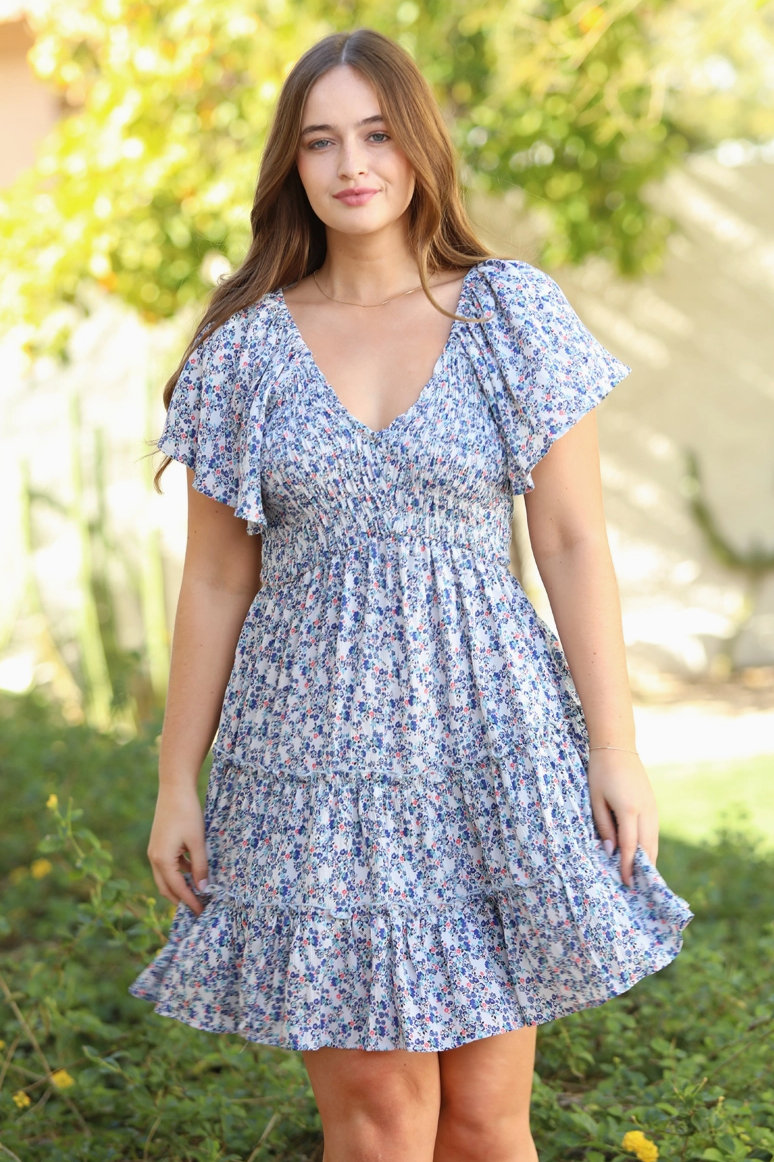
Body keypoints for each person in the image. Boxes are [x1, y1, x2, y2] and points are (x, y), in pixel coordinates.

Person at [130, 27, 692, 1162]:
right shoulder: (244, 351)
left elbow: (577, 541)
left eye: (378, 134)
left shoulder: (508, 315)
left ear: (420, 146)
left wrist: (615, 748)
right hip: (311, 761)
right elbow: (215, 577)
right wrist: (174, 780)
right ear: (291, 163)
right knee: (383, 1125)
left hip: (491, 743)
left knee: (486, 1123)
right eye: (321, 140)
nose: (353, 165)